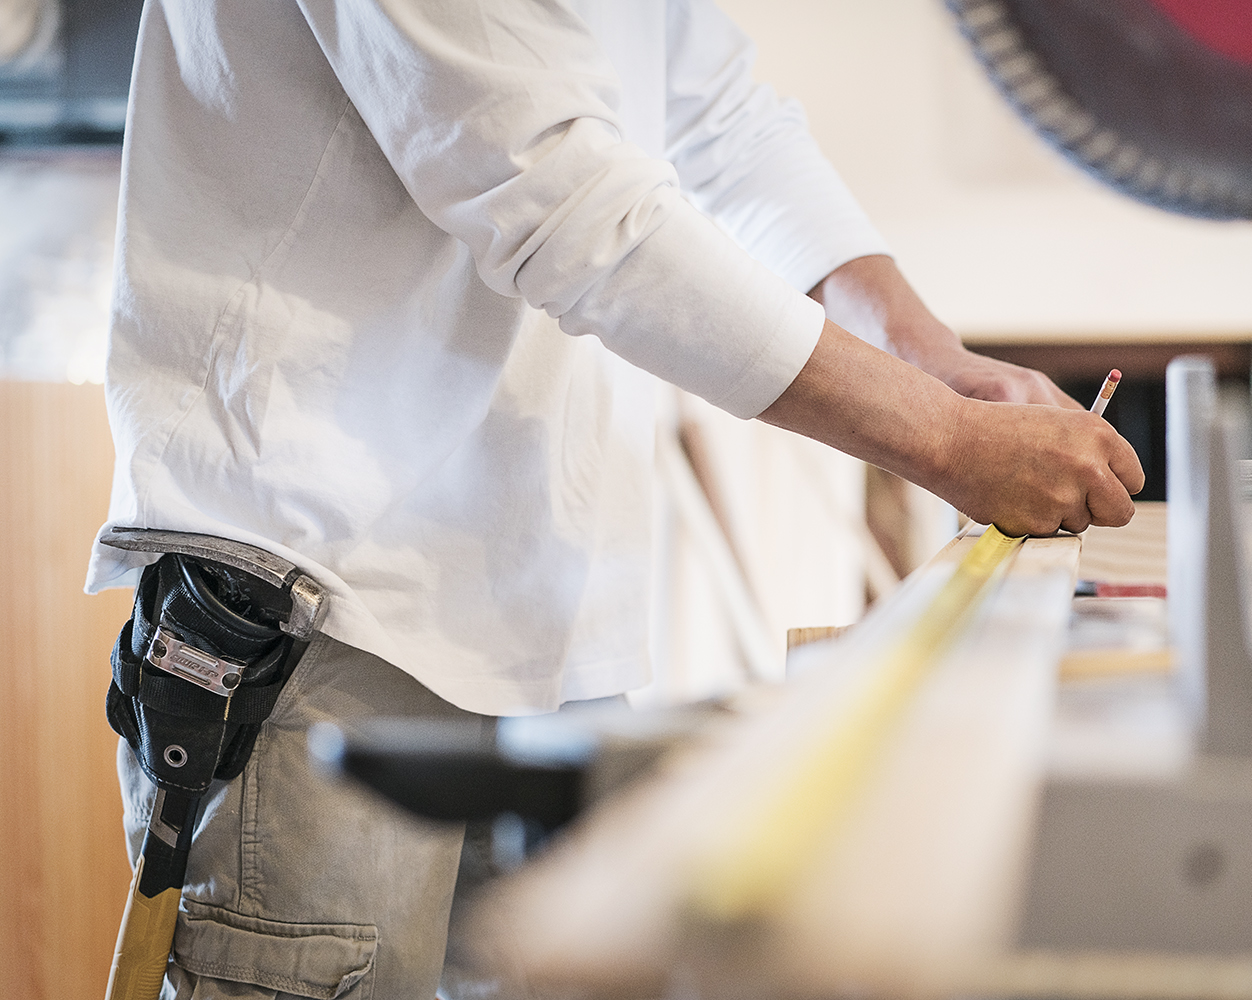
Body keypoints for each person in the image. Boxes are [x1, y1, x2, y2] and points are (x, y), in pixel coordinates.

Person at [88, 1, 1144, 996]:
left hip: (543, 611)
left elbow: (717, 119)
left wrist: (930, 358)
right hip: (319, 597)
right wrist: (947, 437)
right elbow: (553, 192)